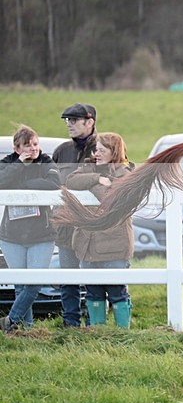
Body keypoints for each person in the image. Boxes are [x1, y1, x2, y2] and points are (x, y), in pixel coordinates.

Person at [65, 132, 135, 328]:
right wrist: (97, 178)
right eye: (96, 149)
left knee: (116, 291)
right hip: (87, 243)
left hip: (114, 243)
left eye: (102, 150)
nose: (97, 153)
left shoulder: (125, 173)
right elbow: (71, 181)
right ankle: (98, 332)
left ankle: (122, 333)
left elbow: (109, 198)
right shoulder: (89, 168)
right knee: (93, 291)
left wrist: (94, 185)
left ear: (114, 152)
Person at [0, 125, 61, 333]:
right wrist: (19, 165)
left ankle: (10, 321)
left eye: (35, 144)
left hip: (41, 234)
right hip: (11, 235)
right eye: (27, 145)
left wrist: (23, 188)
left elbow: (54, 183)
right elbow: (1, 181)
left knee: (34, 282)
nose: (33, 148)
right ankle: (26, 331)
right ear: (17, 148)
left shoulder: (46, 161)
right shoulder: (7, 163)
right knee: (20, 285)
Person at [53, 103, 97, 327]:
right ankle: (70, 322)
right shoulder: (61, 151)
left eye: (74, 120)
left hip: (91, 227)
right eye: (67, 120)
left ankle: (93, 322)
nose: (69, 124)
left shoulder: (105, 147)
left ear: (89, 122)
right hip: (65, 225)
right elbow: (53, 184)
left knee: (92, 277)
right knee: (68, 276)